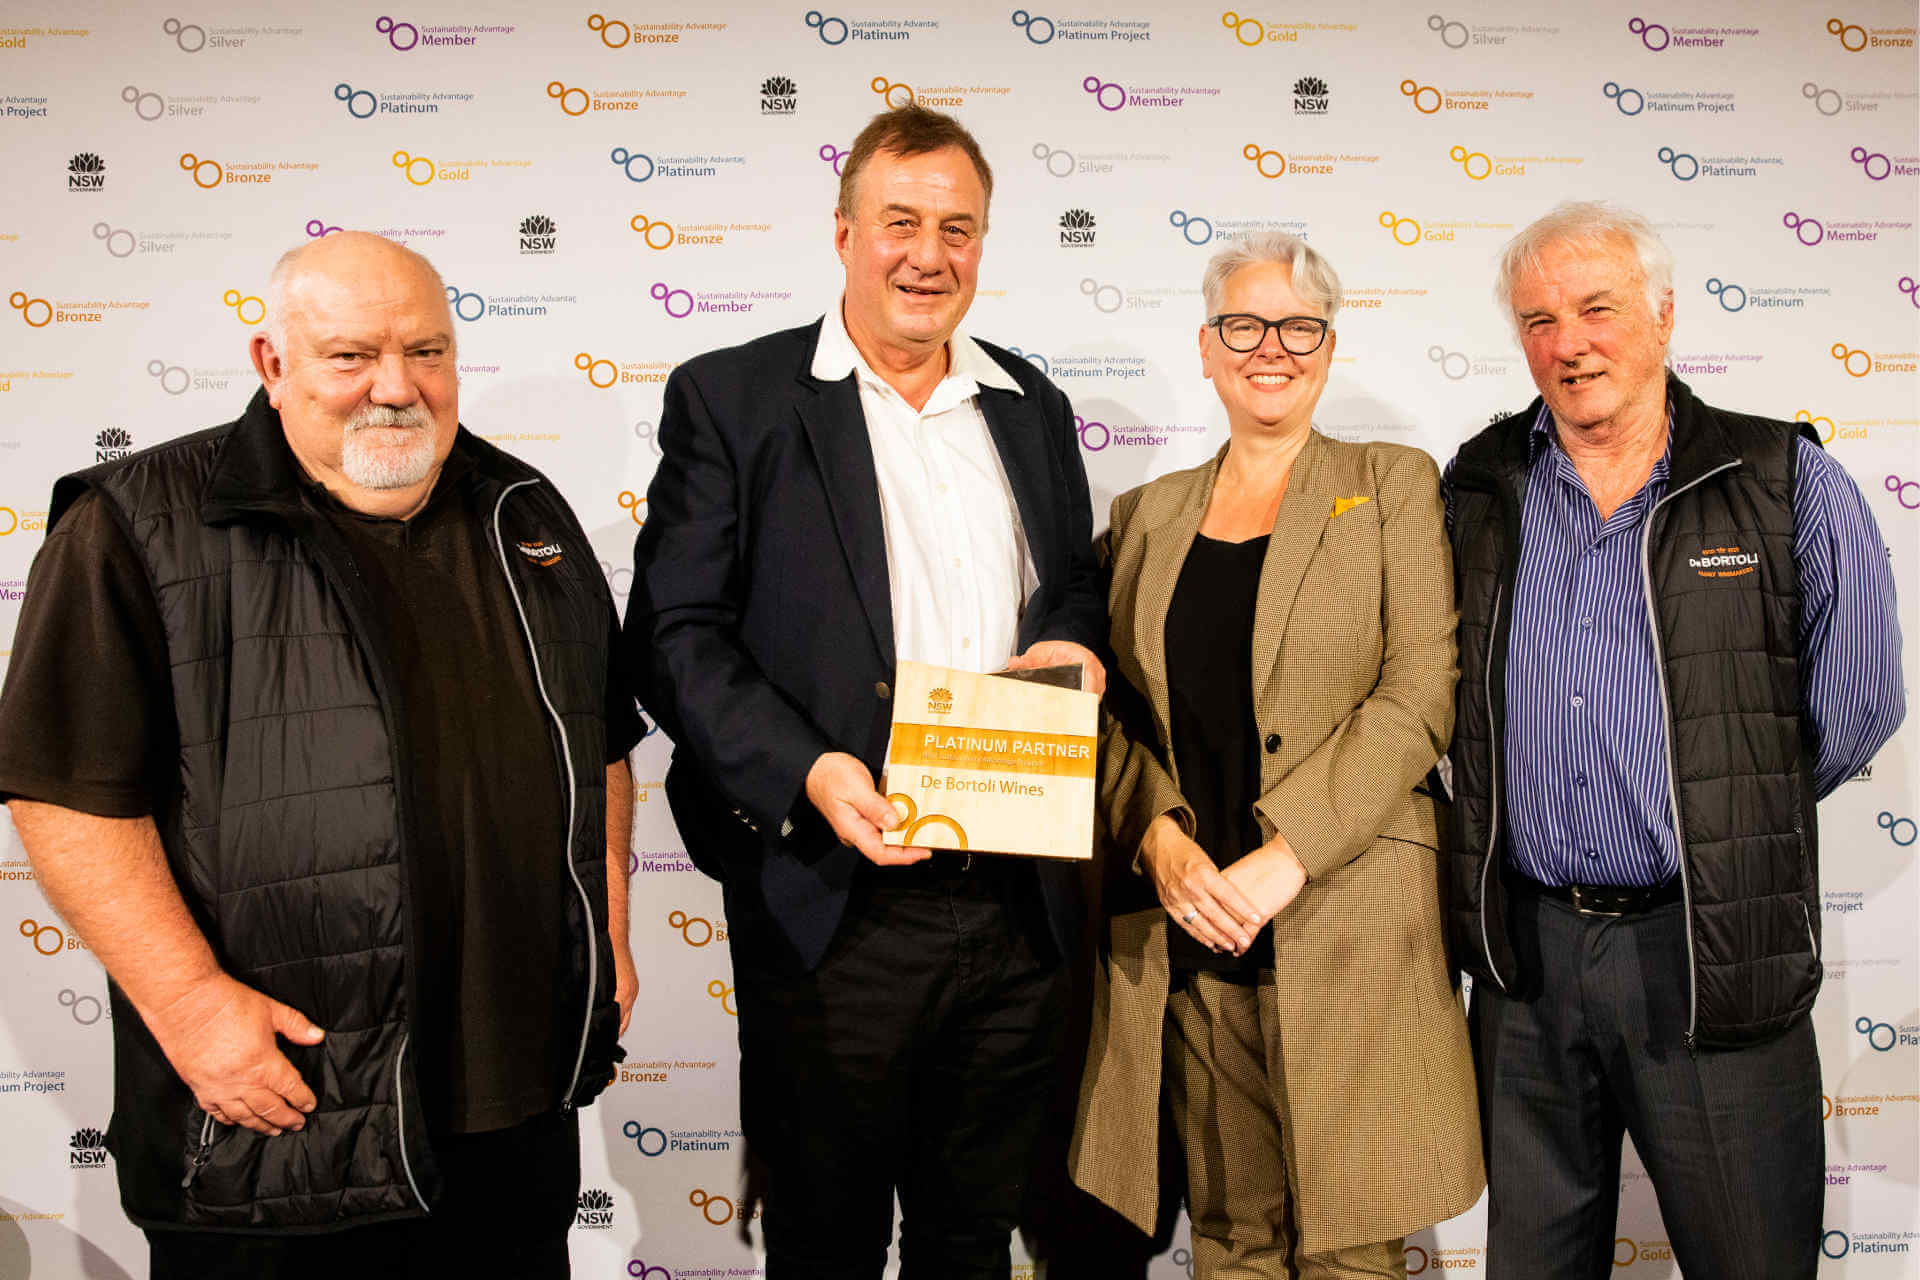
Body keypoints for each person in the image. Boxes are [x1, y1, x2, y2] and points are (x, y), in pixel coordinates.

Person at [0, 231, 645, 1278]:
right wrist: (192, 1005)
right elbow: (65, 791)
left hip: (512, 1119)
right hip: (287, 1119)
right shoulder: (138, 523)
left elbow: (602, 739)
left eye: (426, 352)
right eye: (352, 356)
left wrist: (607, 923)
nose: (396, 387)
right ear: (272, 361)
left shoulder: (523, 511)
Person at [626, 104, 1106, 1278]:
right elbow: (672, 633)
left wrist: (1077, 649)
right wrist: (808, 770)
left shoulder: (1029, 403)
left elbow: (1075, 585)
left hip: (1015, 897)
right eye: (900, 221)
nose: (927, 255)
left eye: (958, 228)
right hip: (835, 896)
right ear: (843, 232)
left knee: (971, 1230)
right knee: (826, 1238)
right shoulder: (733, 397)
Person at [1444, 201, 1904, 1280]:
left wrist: (1727, 812)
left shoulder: (1782, 478)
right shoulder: (1479, 485)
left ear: (1661, 315)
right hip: (1527, 956)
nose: (1569, 343)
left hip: (1710, 950)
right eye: (1539, 319)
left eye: (1596, 308)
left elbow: (1861, 700)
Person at [1071, 232, 1484, 1278]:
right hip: (1197, 943)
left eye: (1299, 325)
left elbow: (1419, 692)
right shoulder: (1145, 516)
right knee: (1232, 1237)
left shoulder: (1391, 483)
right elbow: (1106, 717)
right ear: (1207, 347)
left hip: (1348, 919)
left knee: (1353, 1246)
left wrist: (1287, 852)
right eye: (1244, 325)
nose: (1273, 347)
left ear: (1329, 347)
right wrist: (1157, 836)